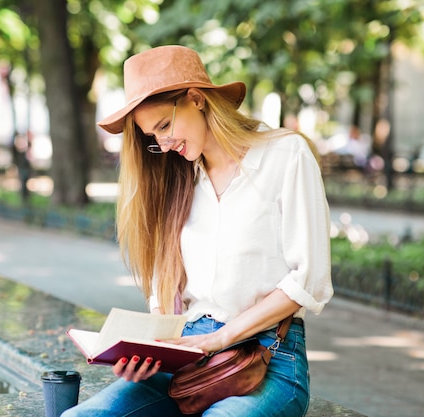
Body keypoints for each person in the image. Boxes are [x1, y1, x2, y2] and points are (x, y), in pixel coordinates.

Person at [63, 45, 333, 417]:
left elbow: (310, 280)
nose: (164, 143)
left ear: (196, 99)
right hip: (187, 355)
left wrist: (221, 338)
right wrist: (145, 352)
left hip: (268, 357)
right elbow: (165, 289)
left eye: (164, 126)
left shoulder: (285, 156)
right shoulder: (179, 181)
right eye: (152, 137)